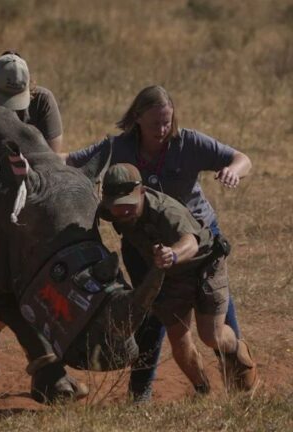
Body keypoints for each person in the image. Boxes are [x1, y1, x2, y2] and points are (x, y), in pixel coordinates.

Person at [67, 85, 256, 400]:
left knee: (215, 327)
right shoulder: (118, 148)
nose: (163, 129)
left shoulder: (188, 143)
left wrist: (234, 171)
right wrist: (31, 157)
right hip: (144, 244)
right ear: (137, 118)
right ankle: (154, 392)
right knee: (155, 319)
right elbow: (71, 160)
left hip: (199, 243)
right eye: (156, 123)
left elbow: (241, 158)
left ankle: (237, 368)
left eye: (168, 122)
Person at [0, 51, 69, 380]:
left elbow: (53, 159)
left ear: (30, 86)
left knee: (30, 279)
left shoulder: (42, 101)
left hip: (32, 196)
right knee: (17, 281)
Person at [99, 163, 256, 396]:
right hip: (170, 275)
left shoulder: (166, 211)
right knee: (179, 343)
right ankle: (203, 391)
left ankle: (237, 351)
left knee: (210, 335)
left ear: (142, 192)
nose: (123, 212)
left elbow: (191, 243)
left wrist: (172, 254)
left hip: (203, 265)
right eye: (117, 207)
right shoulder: (110, 211)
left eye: (129, 205)